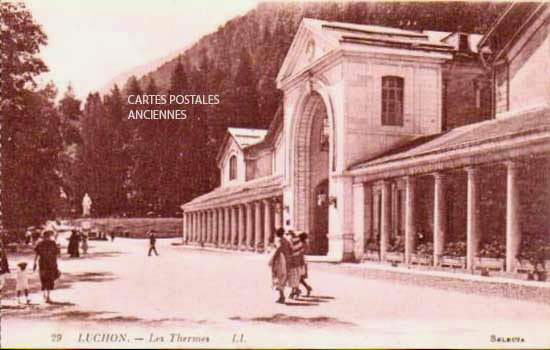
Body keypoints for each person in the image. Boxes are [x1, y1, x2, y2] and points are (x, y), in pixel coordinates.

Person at [34, 230, 60, 303]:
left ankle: (46, 295)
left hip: (43, 263)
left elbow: (36, 254)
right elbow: (56, 254)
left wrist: (34, 263)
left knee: (44, 279)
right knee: (49, 280)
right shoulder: (52, 243)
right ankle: (47, 296)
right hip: (49, 264)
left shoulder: (40, 243)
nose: (48, 237)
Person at [268, 228, 291, 304]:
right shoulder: (286, 240)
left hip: (280, 259)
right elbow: (290, 249)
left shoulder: (279, 240)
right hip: (286, 259)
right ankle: (282, 295)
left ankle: (282, 296)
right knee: (282, 277)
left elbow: (278, 248)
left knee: (278, 276)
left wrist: (273, 258)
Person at [287, 230, 304, 299]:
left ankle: (295, 291)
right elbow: (301, 251)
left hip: (293, 261)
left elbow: (290, 251)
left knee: (293, 277)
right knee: (296, 276)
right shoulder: (299, 242)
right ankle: (295, 291)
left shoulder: (291, 241)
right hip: (298, 261)